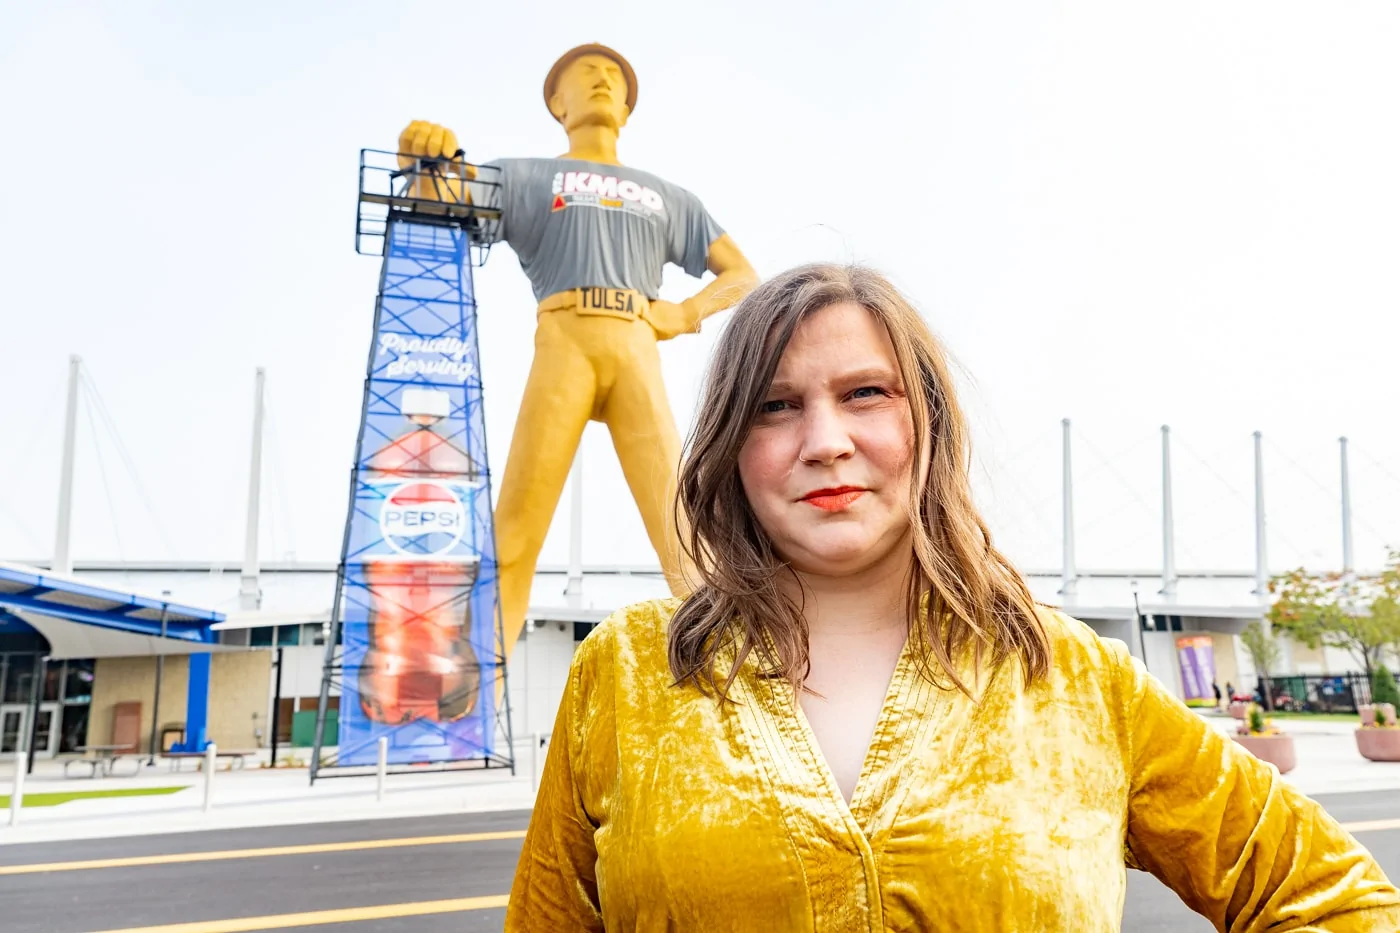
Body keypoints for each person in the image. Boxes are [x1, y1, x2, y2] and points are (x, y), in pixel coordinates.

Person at [505, 265, 1399, 930]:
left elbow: (1331, 893)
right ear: (732, 448)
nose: (824, 440)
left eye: (864, 393)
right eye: (774, 406)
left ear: (926, 421)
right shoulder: (625, 672)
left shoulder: (1072, 676)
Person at [394, 44, 758, 659]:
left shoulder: (669, 196)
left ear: (627, 108)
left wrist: (684, 313)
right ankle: (478, 686)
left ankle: (729, 672)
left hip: (636, 345)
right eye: (583, 75)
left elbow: (742, 274)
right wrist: (420, 155)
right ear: (557, 103)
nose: (601, 80)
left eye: (613, 77)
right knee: (517, 527)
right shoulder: (527, 176)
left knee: (682, 533)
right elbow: (441, 195)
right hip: (564, 341)